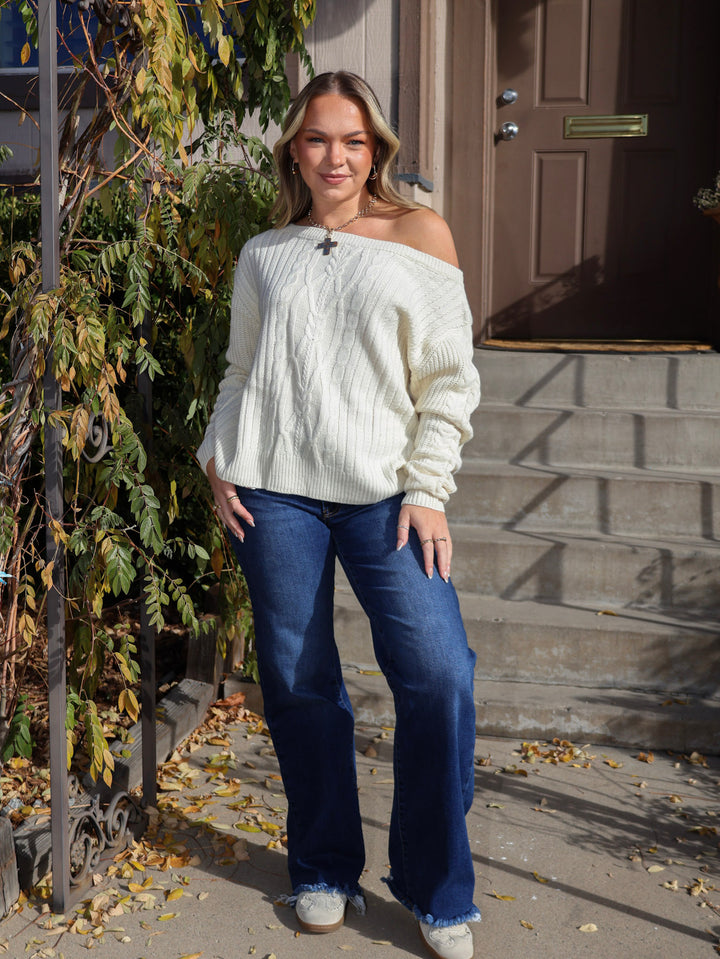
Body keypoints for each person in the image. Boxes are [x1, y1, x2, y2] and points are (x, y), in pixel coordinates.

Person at [197, 71, 481, 959]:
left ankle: (436, 887)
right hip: (274, 492)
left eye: (354, 141)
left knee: (440, 674)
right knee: (300, 681)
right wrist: (216, 456)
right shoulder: (265, 252)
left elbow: (448, 378)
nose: (335, 156)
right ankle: (322, 865)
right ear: (293, 147)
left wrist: (429, 489)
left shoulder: (419, 233)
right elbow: (241, 373)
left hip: (389, 495)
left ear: (377, 149)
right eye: (318, 138)